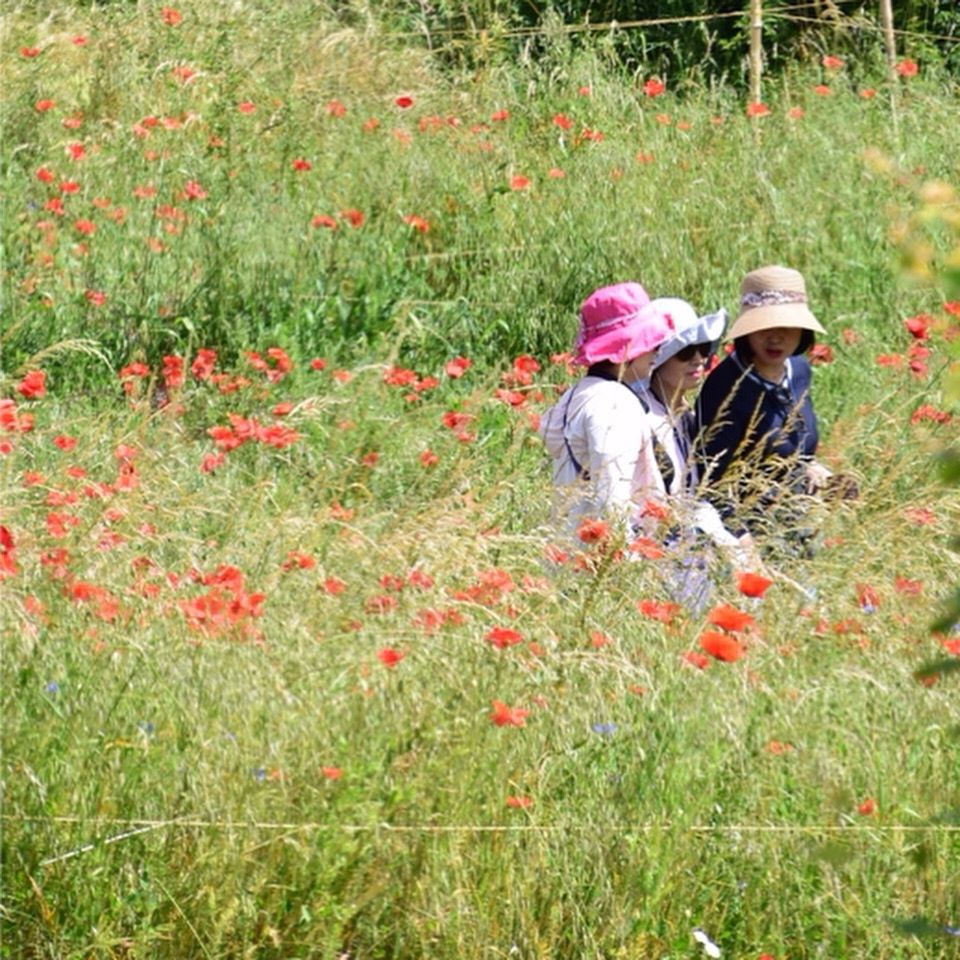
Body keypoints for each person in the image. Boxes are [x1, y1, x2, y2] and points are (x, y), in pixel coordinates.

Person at [693, 264, 833, 541]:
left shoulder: (798, 370)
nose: (776, 337)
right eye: (765, 326)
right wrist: (743, 547)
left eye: (787, 326)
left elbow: (796, 443)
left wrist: (813, 469)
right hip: (748, 537)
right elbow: (711, 483)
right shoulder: (727, 388)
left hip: (796, 527)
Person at [539, 281, 674, 543]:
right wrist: (623, 565)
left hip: (569, 551)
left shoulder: (576, 394)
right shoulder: (614, 403)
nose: (657, 350)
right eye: (649, 343)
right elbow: (611, 498)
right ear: (626, 349)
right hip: (602, 562)